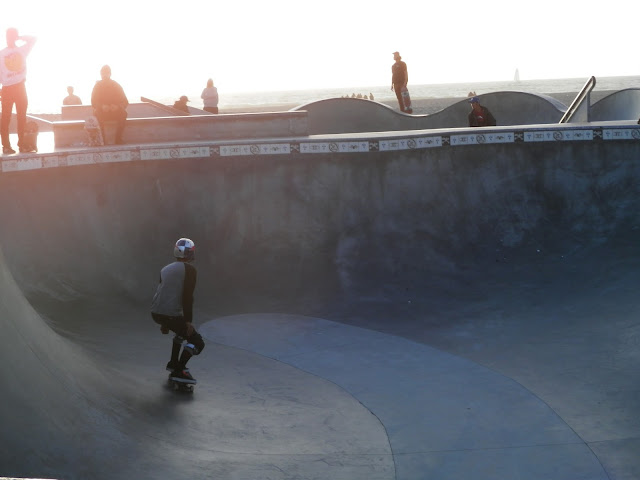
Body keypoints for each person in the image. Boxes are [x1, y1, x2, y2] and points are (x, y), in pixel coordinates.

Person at [151, 238, 205, 385]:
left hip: (156, 312)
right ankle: (179, 370)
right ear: (191, 253)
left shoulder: (165, 268)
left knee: (180, 333)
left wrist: (163, 323)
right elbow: (187, 296)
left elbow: (161, 292)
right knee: (197, 342)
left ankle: (173, 363)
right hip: (169, 315)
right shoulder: (190, 270)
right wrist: (188, 321)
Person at [0, 28, 36, 154]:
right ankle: (6, 146)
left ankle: (22, 144)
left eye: (11, 36)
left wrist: (20, 37)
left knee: (22, 117)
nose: (9, 38)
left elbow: (33, 39)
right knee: (5, 118)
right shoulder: (1, 54)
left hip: (20, 87)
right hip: (7, 89)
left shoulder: (21, 50)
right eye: (7, 35)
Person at [91, 65, 128, 144]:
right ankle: (102, 139)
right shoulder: (97, 86)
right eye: (103, 73)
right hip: (102, 113)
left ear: (110, 74)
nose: (104, 75)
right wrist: (101, 106)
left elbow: (125, 102)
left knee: (124, 113)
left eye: (106, 73)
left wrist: (117, 106)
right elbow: (93, 102)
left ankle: (118, 139)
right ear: (100, 75)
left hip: (114, 113)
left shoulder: (116, 85)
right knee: (96, 113)